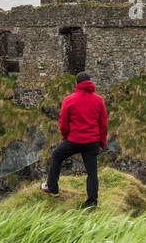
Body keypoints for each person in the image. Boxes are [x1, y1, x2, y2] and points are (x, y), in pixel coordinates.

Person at [41, 71, 108, 209]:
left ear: (77, 84)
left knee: (56, 155)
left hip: (75, 139)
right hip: (92, 141)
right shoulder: (98, 100)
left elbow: (63, 122)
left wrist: (66, 137)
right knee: (92, 172)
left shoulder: (69, 99)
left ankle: (52, 188)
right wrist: (101, 142)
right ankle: (92, 203)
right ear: (90, 83)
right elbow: (103, 124)